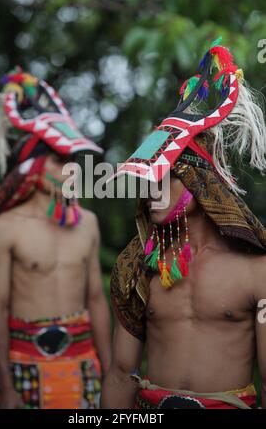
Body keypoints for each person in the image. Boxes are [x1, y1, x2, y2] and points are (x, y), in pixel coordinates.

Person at [102, 38, 266, 409]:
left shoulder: (257, 269)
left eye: (167, 178)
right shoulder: (137, 267)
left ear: (200, 184)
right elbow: (119, 375)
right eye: (149, 179)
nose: (152, 190)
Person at [0, 68, 111, 409]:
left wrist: (110, 373)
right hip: (23, 364)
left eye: (74, 161)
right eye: (61, 161)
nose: (72, 170)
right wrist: (6, 385)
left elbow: (96, 301)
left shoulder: (87, 223)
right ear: (33, 166)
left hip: (83, 363)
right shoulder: (5, 227)